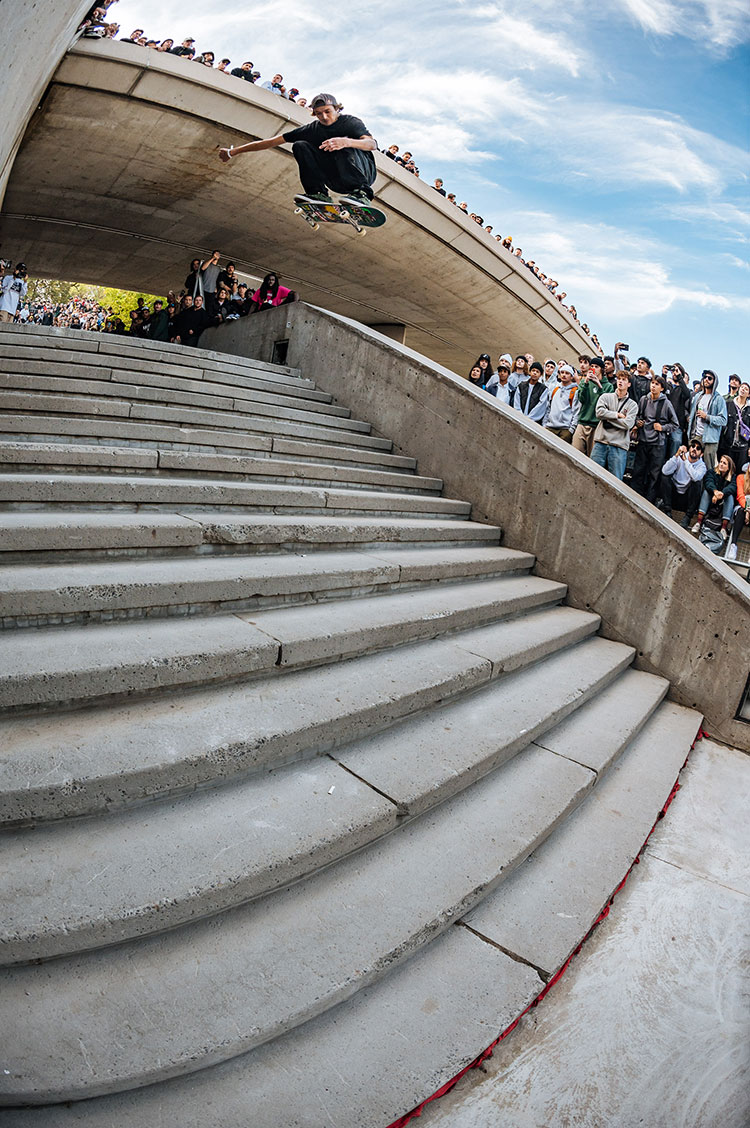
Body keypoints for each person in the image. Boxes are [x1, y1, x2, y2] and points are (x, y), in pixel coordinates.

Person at [219, 93, 377, 207]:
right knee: (300, 145)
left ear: (336, 109)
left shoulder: (350, 122)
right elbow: (271, 142)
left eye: (328, 111)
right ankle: (318, 194)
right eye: (319, 113)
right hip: (335, 179)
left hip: (363, 173)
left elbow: (372, 144)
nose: (324, 117)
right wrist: (232, 152)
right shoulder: (311, 129)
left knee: (340, 144)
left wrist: (346, 141)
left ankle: (362, 194)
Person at [632, 375, 679, 502]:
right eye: (652, 383)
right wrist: (638, 422)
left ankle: (649, 501)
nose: (653, 386)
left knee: (654, 474)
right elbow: (637, 416)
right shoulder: (644, 400)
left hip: (658, 444)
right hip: (643, 441)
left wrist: (662, 428)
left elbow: (675, 424)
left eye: (657, 384)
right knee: (638, 471)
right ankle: (634, 497)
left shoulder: (666, 403)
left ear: (662, 388)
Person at [590, 370, 638, 478]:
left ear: (629, 384)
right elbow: (599, 412)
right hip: (601, 442)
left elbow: (628, 424)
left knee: (615, 481)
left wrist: (607, 417)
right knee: (591, 475)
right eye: (619, 379)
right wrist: (617, 415)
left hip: (619, 446)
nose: (620, 381)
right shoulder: (605, 397)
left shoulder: (633, 405)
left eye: (624, 379)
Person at [691, 454, 737, 552]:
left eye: (724, 463)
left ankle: (723, 528)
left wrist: (722, 493)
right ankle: (698, 522)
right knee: (706, 492)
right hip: (711, 501)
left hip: (722, 504)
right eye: (720, 461)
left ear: (729, 467)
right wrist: (715, 492)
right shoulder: (712, 472)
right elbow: (708, 482)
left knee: (730, 498)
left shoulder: (732, 477)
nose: (721, 464)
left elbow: (733, 487)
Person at [571, 357, 612, 455]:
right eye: (592, 366)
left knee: (592, 458)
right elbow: (582, 399)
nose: (593, 368)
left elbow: (607, 404)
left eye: (596, 367)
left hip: (597, 426)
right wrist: (585, 383)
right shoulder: (584, 382)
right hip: (582, 422)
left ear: (602, 369)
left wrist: (599, 385)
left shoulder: (608, 386)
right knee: (575, 453)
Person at [687, 369, 727, 470]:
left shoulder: (718, 399)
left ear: (714, 381)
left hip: (710, 439)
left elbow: (723, 420)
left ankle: (708, 486)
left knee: (708, 468)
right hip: (696, 435)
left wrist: (707, 417)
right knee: (691, 465)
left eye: (710, 378)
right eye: (705, 377)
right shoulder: (698, 397)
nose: (706, 379)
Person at [660, 440, 707, 522]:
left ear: (701, 454)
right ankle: (667, 510)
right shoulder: (680, 457)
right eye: (692, 446)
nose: (694, 449)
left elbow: (696, 477)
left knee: (697, 483)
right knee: (665, 477)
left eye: (698, 448)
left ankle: (688, 517)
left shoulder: (702, 466)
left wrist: (686, 461)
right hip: (673, 493)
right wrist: (676, 455)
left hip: (686, 497)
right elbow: (664, 471)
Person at [543, 364, 579, 442]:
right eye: (562, 372)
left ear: (572, 376)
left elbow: (576, 412)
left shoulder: (574, 391)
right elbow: (548, 407)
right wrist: (545, 424)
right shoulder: (555, 389)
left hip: (565, 430)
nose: (564, 375)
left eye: (567, 373)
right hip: (550, 427)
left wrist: (571, 430)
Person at [720, 380, 750, 472]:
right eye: (742, 387)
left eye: (746, 389)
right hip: (728, 445)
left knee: (740, 473)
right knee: (727, 472)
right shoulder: (728, 404)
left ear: (748, 394)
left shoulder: (749, 409)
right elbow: (722, 425)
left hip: (743, 447)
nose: (743, 390)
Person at [724, 461, 749, 561]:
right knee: (741, 512)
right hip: (741, 509)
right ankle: (733, 545)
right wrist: (747, 510)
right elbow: (740, 496)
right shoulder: (741, 477)